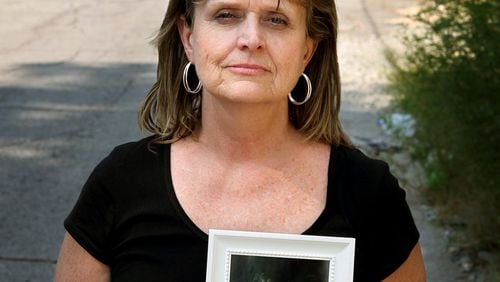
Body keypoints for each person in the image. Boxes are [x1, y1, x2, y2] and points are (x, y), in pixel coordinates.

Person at [55, 0, 426, 280]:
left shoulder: (368, 192)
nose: (251, 40)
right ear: (188, 37)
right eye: (226, 15)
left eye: (277, 20)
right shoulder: (122, 181)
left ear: (307, 51)